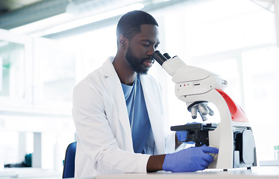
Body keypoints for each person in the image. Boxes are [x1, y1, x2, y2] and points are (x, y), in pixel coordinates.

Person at [72, 10, 218, 177]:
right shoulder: (89, 89)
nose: (153, 52)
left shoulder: (151, 85)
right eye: (146, 44)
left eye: (156, 46)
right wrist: (168, 161)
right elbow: (104, 157)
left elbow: (154, 146)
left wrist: (181, 136)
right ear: (123, 42)